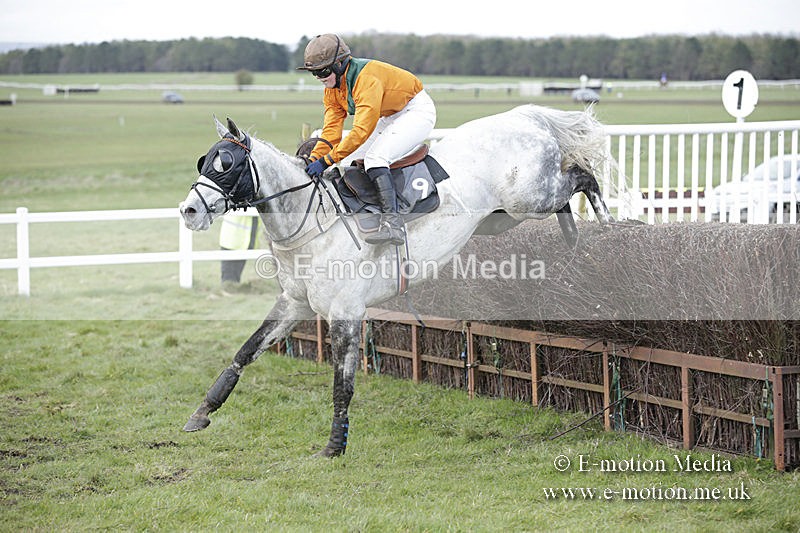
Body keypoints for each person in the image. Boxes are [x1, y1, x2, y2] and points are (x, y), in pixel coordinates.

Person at [298, 33, 437, 245]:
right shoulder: (332, 90)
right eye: (314, 73)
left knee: (375, 159)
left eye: (323, 71)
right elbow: (331, 133)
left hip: (416, 110)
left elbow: (360, 132)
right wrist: (314, 158)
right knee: (354, 157)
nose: (320, 77)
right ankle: (371, 210)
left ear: (340, 64)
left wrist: (325, 162)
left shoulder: (366, 79)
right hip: (389, 114)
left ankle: (394, 224)